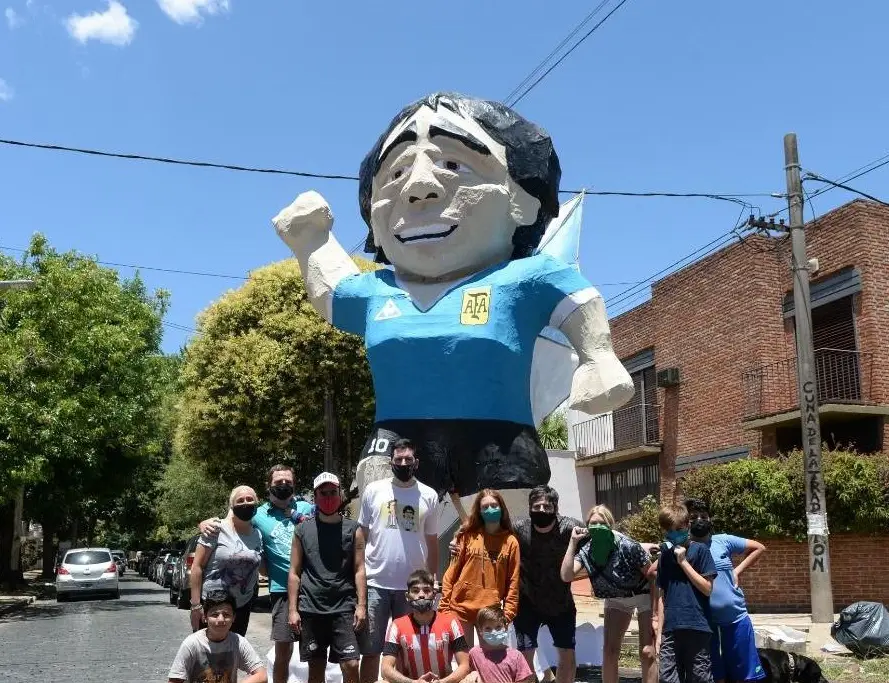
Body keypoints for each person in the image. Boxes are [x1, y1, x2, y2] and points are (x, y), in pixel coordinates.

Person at [272, 91, 634, 501]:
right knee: (385, 518)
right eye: (396, 172)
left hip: (500, 436)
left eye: (452, 163)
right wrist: (311, 242)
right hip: (394, 438)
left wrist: (598, 356)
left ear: (523, 200)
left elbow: (579, 301)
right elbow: (333, 292)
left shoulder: (525, 277)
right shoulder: (378, 290)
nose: (419, 186)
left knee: (506, 527)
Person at [200, 464, 308, 683]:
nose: (284, 485)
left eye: (288, 482)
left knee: (315, 651)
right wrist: (203, 523)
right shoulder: (258, 514)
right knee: (283, 653)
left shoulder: (306, 508)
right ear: (269, 486)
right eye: (278, 482)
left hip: (313, 587)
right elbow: (232, 518)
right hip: (282, 589)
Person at [357, 438, 440, 683]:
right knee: (371, 651)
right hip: (376, 584)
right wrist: (358, 571)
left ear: (416, 462)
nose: (403, 463)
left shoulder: (429, 495)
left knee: (408, 649)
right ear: (391, 462)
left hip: (412, 587)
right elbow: (361, 535)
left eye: (408, 459)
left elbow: (432, 542)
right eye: (398, 459)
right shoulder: (374, 490)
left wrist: (432, 580)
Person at [560, 504, 655, 683]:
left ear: (610, 525)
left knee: (647, 651)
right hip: (615, 597)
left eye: (602, 523)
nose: (597, 527)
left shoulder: (628, 546)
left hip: (642, 594)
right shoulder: (587, 550)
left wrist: (656, 611)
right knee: (609, 650)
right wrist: (573, 542)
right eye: (593, 523)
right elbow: (566, 575)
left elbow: (652, 576)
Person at [288, 472, 367, 683]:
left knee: (351, 664)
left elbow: (359, 569)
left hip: (344, 608)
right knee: (316, 668)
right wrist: (293, 610)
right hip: (311, 608)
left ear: (340, 494)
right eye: (323, 493)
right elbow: (294, 572)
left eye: (333, 492)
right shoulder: (301, 530)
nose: (329, 497)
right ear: (315, 497)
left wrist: (361, 606)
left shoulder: (354, 529)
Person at [684, 498, 767, 683]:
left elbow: (759, 548)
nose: (699, 520)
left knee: (746, 675)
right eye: (693, 517)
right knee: (715, 675)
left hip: (735, 618)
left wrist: (737, 571)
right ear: (686, 521)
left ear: (710, 519)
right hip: (705, 624)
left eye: (704, 516)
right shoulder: (683, 549)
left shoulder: (723, 540)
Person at [512, 486, 582, 683]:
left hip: (561, 603)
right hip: (527, 602)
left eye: (547, 506)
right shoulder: (518, 529)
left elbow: (601, 539)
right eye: (537, 506)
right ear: (529, 508)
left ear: (555, 508)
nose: (541, 510)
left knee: (567, 654)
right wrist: (458, 538)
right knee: (524, 657)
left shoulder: (570, 528)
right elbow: (488, 536)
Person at [440, 488, 520, 645]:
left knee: (490, 658)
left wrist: (508, 613)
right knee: (464, 657)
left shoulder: (511, 542)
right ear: (479, 511)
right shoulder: (467, 536)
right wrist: (444, 607)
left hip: (490, 612)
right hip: (460, 608)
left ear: (502, 508)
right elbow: (451, 573)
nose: (490, 510)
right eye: (485, 507)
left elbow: (513, 581)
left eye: (494, 505)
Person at [653, 503, 717, 683]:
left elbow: (707, 588)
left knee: (700, 677)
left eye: (679, 529)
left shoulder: (701, 551)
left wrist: (683, 562)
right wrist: (659, 634)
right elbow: (662, 597)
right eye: (670, 531)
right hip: (671, 629)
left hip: (697, 626)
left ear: (687, 525)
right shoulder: (664, 558)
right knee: (667, 677)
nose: (674, 534)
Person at [190, 485, 264, 636]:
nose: (245, 503)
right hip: (212, 606)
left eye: (250, 499)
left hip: (241, 607)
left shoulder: (258, 534)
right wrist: (196, 606)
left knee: (234, 649)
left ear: (256, 504)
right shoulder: (215, 528)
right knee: (207, 649)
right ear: (232, 506)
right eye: (240, 500)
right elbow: (197, 567)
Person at [381, 569, 471, 683]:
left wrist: (442, 682)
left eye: (427, 590)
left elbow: (465, 665)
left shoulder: (451, 622)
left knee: (471, 679)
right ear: (407, 596)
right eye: (415, 591)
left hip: (444, 682)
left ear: (434, 594)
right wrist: (413, 682)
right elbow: (385, 668)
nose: (421, 595)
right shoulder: (397, 625)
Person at [168, 590, 267, 683]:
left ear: (233, 618)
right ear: (205, 617)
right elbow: (174, 680)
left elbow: (262, 675)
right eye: (215, 615)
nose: (220, 620)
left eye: (226, 614)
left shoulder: (238, 642)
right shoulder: (192, 643)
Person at [468, 605, 534, 683]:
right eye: (488, 628)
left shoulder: (516, 656)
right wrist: (473, 674)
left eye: (498, 627)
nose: (493, 632)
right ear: (480, 631)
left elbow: (524, 681)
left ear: (505, 628)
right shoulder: (474, 654)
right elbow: (469, 674)